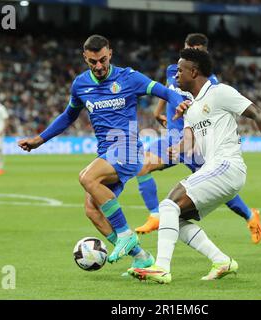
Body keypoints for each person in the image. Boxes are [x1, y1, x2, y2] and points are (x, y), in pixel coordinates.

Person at [17, 35, 184, 268]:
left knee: (87, 177)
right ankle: (141, 258)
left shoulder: (129, 77)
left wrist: (181, 102)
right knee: (92, 210)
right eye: (93, 62)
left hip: (128, 151)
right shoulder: (80, 85)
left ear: (110, 54)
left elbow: (164, 92)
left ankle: (125, 234)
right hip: (107, 153)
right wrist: (40, 139)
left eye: (103, 60)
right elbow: (68, 116)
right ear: (85, 58)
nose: (99, 66)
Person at [129, 49, 261, 284]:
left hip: (228, 165)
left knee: (167, 204)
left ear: (194, 72)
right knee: (173, 216)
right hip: (215, 169)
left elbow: (257, 113)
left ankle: (161, 268)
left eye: (180, 70)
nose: (175, 75)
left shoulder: (220, 93)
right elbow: (188, 141)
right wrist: (176, 150)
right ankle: (221, 260)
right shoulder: (190, 107)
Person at [135, 33, 261, 244]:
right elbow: (167, 90)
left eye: (198, 50)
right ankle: (155, 215)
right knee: (141, 166)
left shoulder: (209, 83)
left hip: (194, 142)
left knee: (220, 190)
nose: (192, 52)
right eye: (189, 48)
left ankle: (250, 215)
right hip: (173, 138)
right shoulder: (173, 71)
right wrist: (159, 111)